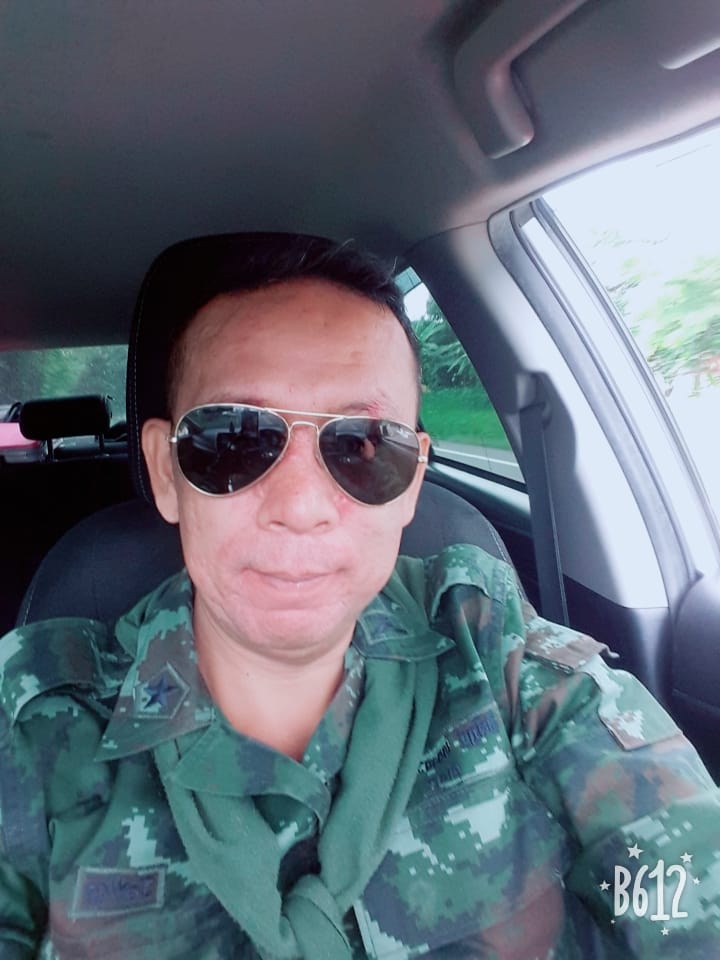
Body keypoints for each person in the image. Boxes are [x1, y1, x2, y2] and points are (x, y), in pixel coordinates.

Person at [0, 234, 718, 960]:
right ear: (165, 472)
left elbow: (682, 888)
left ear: (412, 482)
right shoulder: (30, 722)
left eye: (365, 445)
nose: (300, 507)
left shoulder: (501, 661)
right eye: (234, 439)